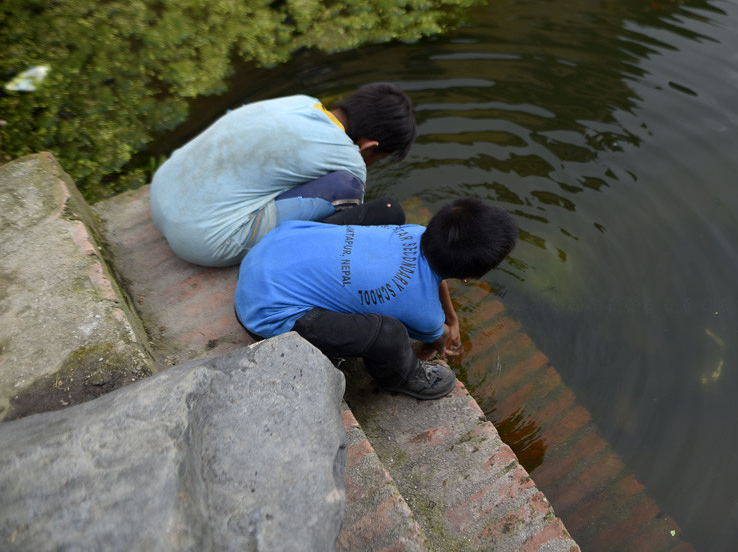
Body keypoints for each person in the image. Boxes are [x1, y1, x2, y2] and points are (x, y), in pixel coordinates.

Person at [234, 197, 519, 400]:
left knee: (389, 209)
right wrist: (446, 335)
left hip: (272, 248)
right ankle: (402, 378)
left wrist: (452, 318)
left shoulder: (416, 233)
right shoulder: (425, 314)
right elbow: (436, 341)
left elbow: (437, 276)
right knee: (389, 334)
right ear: (470, 277)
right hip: (266, 309)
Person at [150, 83, 415, 267]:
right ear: (369, 146)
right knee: (346, 188)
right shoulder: (351, 162)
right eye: (376, 160)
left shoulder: (301, 102)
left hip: (161, 192)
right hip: (200, 239)